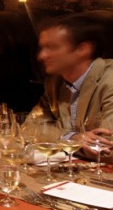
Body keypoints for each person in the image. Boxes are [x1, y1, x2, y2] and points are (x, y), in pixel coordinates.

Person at [29, 13, 113, 160]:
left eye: (52, 47)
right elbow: (29, 129)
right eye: (42, 48)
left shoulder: (109, 80)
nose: (41, 56)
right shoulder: (54, 83)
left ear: (83, 49)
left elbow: (107, 149)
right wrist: (72, 137)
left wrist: (58, 139)